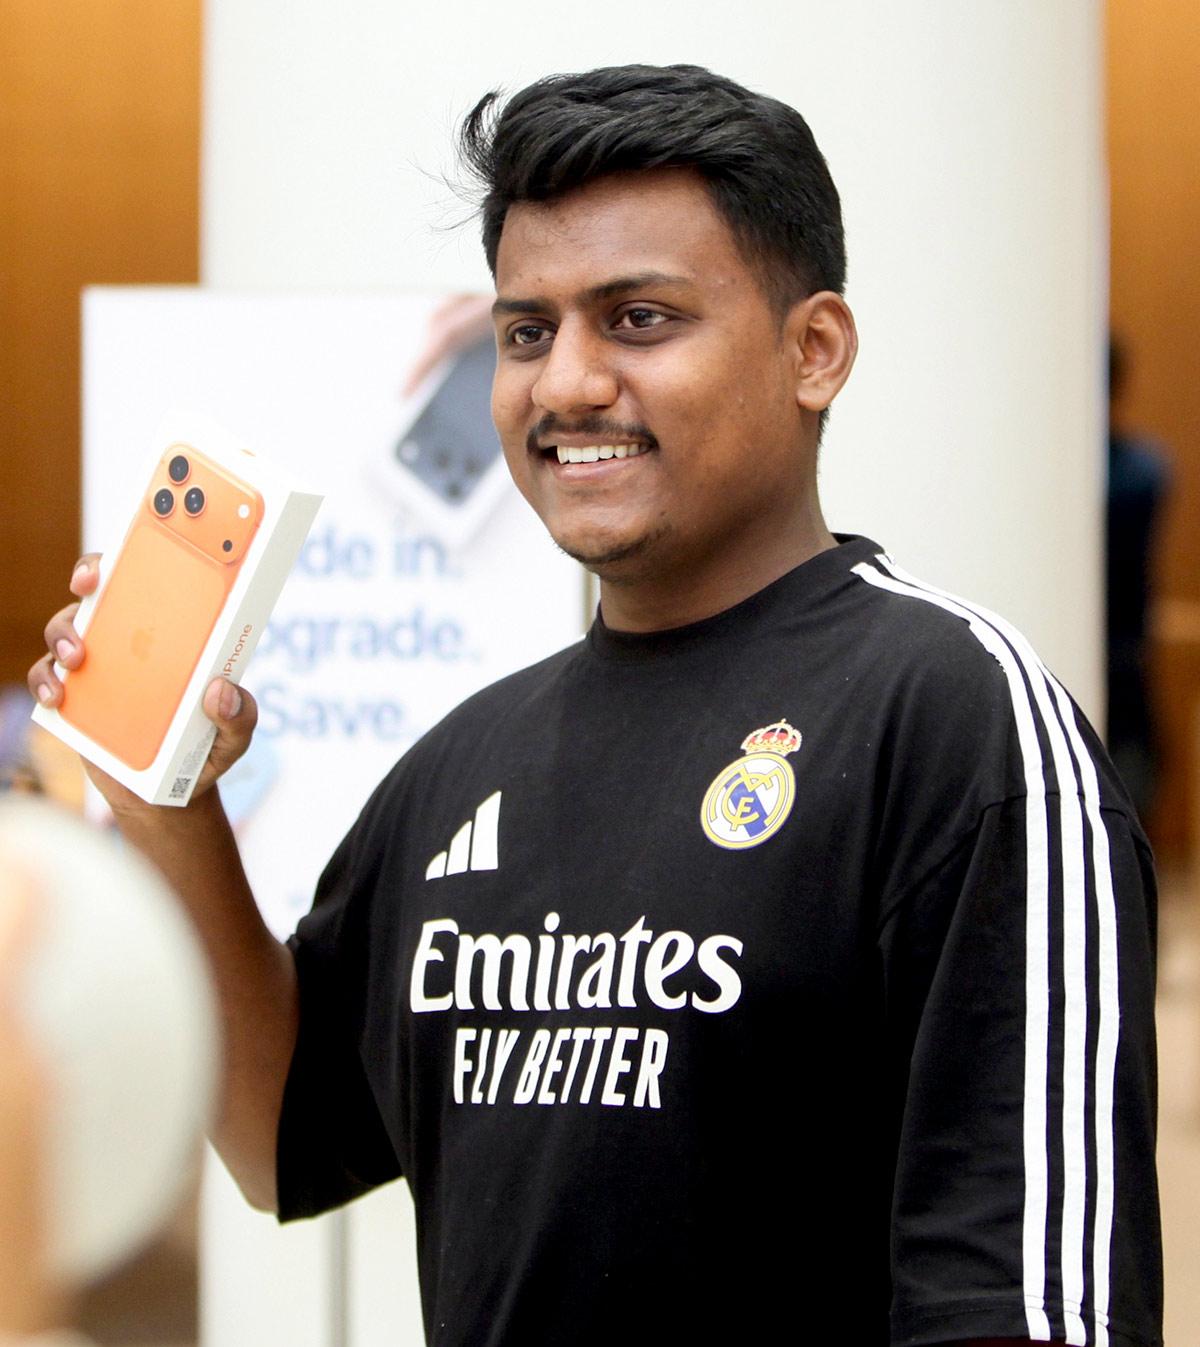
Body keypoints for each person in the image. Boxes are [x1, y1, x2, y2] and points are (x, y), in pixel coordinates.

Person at [28, 64, 1161, 1347]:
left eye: (636, 319)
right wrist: (167, 796)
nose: (564, 385)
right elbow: (283, 1131)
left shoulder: (958, 718)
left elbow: (1026, 1305)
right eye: (526, 331)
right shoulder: (469, 758)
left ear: (815, 350)